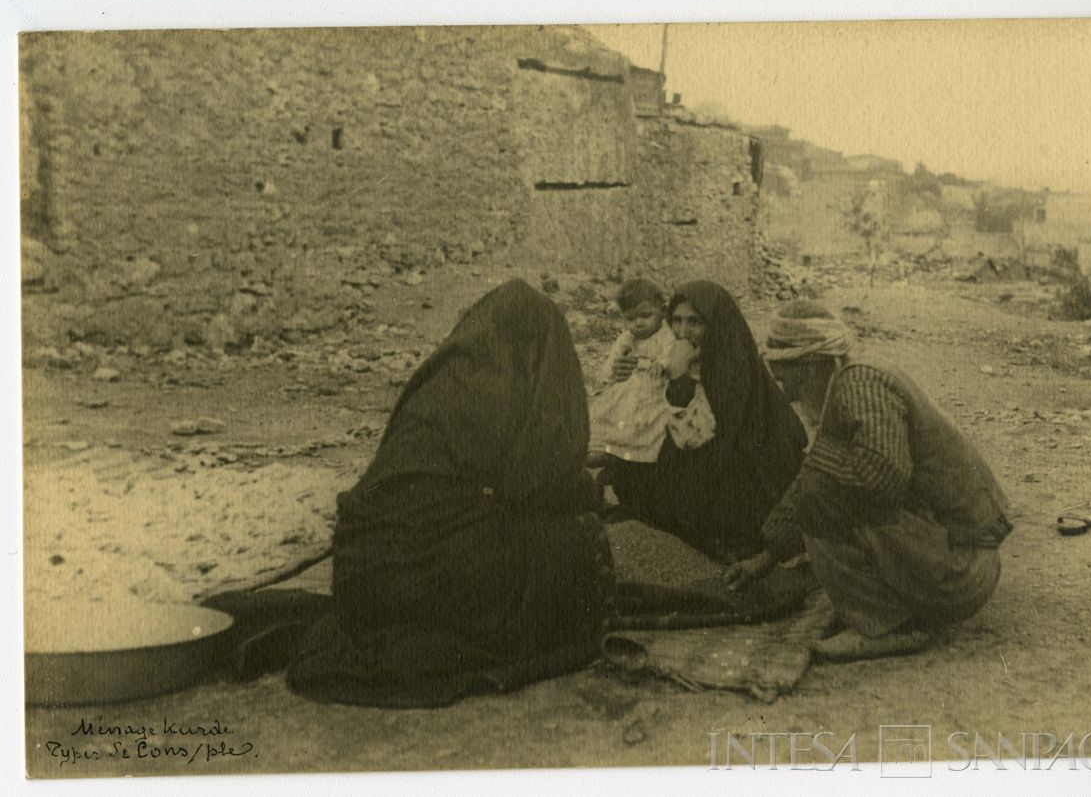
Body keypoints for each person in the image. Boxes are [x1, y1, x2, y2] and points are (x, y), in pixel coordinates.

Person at [288, 280, 616, 707]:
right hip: (421, 576)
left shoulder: (443, 379)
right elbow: (538, 485)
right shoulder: (505, 387)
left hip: (360, 575)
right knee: (579, 544)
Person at [725, 301, 1013, 661]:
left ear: (813, 364)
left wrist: (820, 460)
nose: (780, 384)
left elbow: (883, 477)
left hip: (962, 570)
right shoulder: (847, 380)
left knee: (820, 498)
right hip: (957, 557)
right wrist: (766, 557)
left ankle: (892, 624)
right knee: (819, 489)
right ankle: (895, 607)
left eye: (784, 372)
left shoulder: (861, 384)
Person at [604, 280, 809, 563]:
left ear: (715, 323)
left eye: (695, 322)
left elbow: (705, 435)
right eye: (676, 321)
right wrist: (626, 372)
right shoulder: (675, 351)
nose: (683, 332)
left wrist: (678, 378)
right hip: (694, 444)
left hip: (740, 458)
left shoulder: (730, 361)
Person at [587, 278, 683, 467]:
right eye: (630, 318)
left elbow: (671, 351)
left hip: (653, 389)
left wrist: (661, 364)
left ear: (662, 312)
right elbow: (612, 364)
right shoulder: (627, 338)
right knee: (609, 413)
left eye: (645, 316)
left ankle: (631, 454)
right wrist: (612, 371)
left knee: (644, 424)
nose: (638, 323)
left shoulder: (665, 334)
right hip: (628, 388)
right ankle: (607, 449)